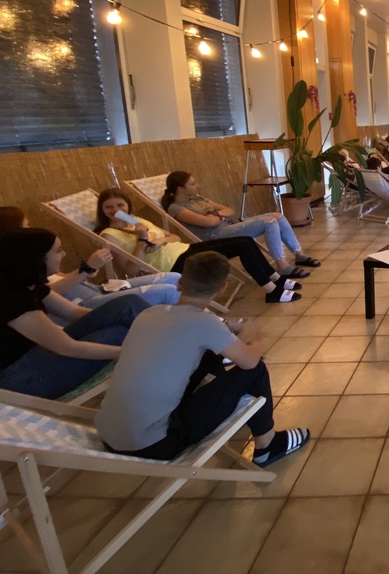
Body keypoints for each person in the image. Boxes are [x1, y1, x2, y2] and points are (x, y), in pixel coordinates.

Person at [96, 252, 309, 466]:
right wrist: (251, 338)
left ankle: (230, 408)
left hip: (109, 432)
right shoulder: (204, 323)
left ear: (180, 284)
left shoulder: (148, 314)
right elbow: (250, 361)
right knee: (256, 369)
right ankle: (267, 446)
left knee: (210, 354)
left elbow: (184, 336)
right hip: (154, 443)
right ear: (221, 289)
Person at [0, 228, 148, 398]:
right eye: (58, 251)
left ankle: (167, 339)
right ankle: (163, 350)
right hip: (22, 379)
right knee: (117, 334)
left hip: (42, 354)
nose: (64, 254)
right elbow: (67, 348)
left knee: (128, 304)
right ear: (36, 258)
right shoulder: (11, 299)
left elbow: (75, 312)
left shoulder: (29, 285)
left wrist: (117, 316)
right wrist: (131, 352)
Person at [95, 188, 301, 304]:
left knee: (245, 241)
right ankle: (271, 290)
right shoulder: (109, 235)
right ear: (102, 210)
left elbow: (174, 236)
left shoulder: (137, 220)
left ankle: (276, 279)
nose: (115, 210)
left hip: (184, 249)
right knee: (243, 246)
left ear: (127, 206)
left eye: (120, 205)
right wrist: (141, 240)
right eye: (108, 207)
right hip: (171, 264)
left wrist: (159, 240)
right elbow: (131, 270)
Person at [0, 205, 180, 309]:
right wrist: (86, 269)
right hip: (88, 302)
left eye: (120, 205)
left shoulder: (31, 257)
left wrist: (84, 273)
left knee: (174, 277)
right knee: (168, 291)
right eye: (26, 226)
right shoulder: (16, 266)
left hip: (96, 289)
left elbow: (54, 280)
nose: (116, 210)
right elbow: (42, 294)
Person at [161, 171, 317, 278]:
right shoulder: (176, 208)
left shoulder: (197, 199)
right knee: (269, 222)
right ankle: (282, 266)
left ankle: (299, 254)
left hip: (229, 225)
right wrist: (216, 216)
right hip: (215, 236)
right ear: (180, 189)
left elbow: (229, 210)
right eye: (193, 184)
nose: (197, 186)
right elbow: (208, 223)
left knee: (278, 216)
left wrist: (216, 215)